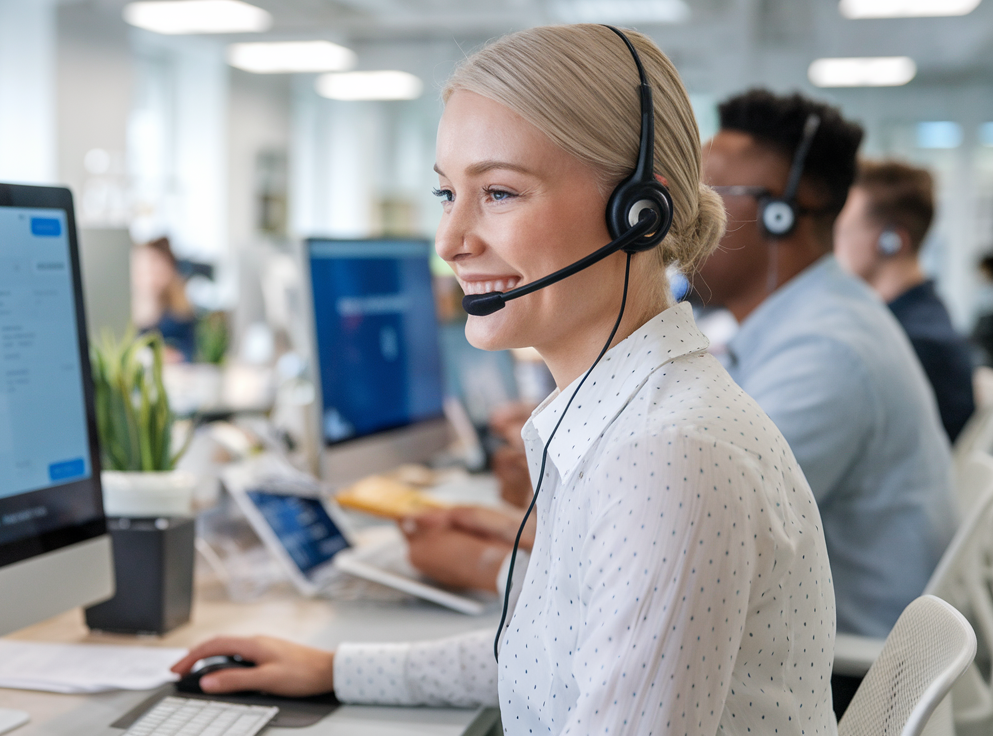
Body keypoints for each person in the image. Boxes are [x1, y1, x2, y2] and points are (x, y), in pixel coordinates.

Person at [172, 26, 837, 733]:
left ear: (640, 213)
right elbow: (550, 651)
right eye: (445, 193)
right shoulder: (618, 417)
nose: (451, 241)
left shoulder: (668, 456)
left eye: (498, 192)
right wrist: (336, 670)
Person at [694, 89, 956, 713]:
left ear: (786, 213)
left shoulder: (828, 352)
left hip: (846, 678)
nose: (682, 222)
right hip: (823, 645)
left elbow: (702, 540)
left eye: (707, 197)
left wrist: (499, 554)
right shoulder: (810, 321)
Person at [835, 159, 975, 443]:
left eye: (842, 231)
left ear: (892, 241)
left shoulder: (915, 340)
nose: (834, 246)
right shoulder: (915, 318)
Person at [131, 236, 196, 361]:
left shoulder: (180, 314)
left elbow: (189, 353)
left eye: (154, 266)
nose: (149, 274)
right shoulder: (134, 310)